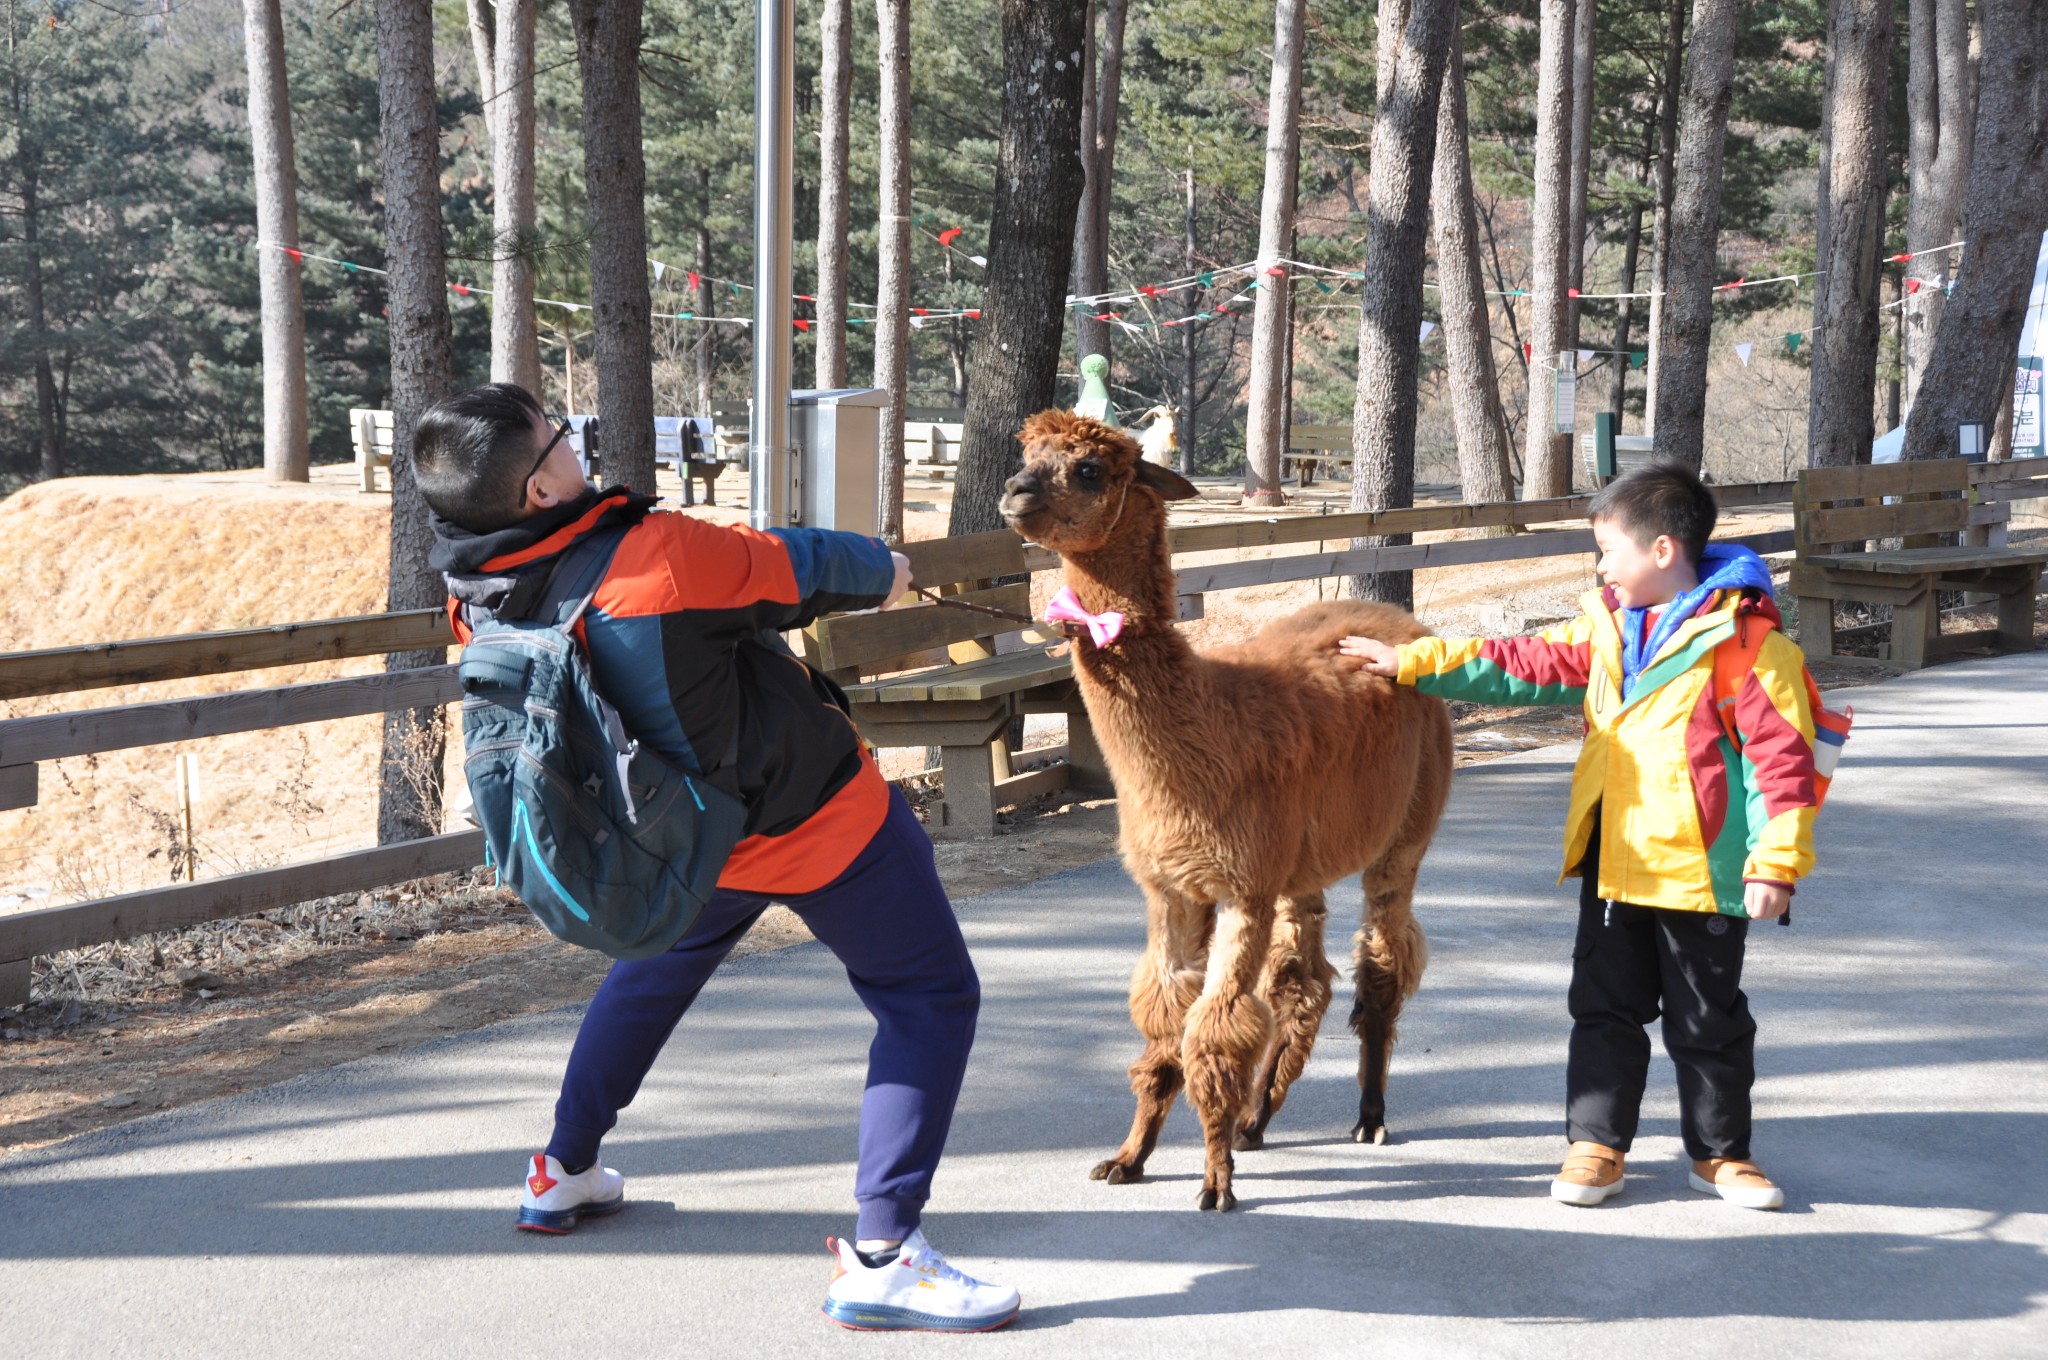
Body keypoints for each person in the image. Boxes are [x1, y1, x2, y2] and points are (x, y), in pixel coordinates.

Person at [414, 383, 1019, 1332]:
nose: (576, 446)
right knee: (928, 997)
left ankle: (565, 1168)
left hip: (671, 842)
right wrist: (884, 567)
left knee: (648, 981)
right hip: (811, 824)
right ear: (538, 489)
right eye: (559, 439)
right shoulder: (653, 556)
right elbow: (784, 567)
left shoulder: (476, 593)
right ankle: (885, 1254)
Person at [1338, 460, 1829, 1212]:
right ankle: (1596, 1146)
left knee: (1709, 1020)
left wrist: (1776, 864)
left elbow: (1784, 766)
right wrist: (1411, 662)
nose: (1602, 566)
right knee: (1602, 1009)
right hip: (1613, 862)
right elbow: (1518, 664)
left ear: (1663, 550)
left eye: (1609, 550)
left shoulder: (1752, 649)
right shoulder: (1606, 628)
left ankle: (1722, 1154)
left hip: (1705, 872)